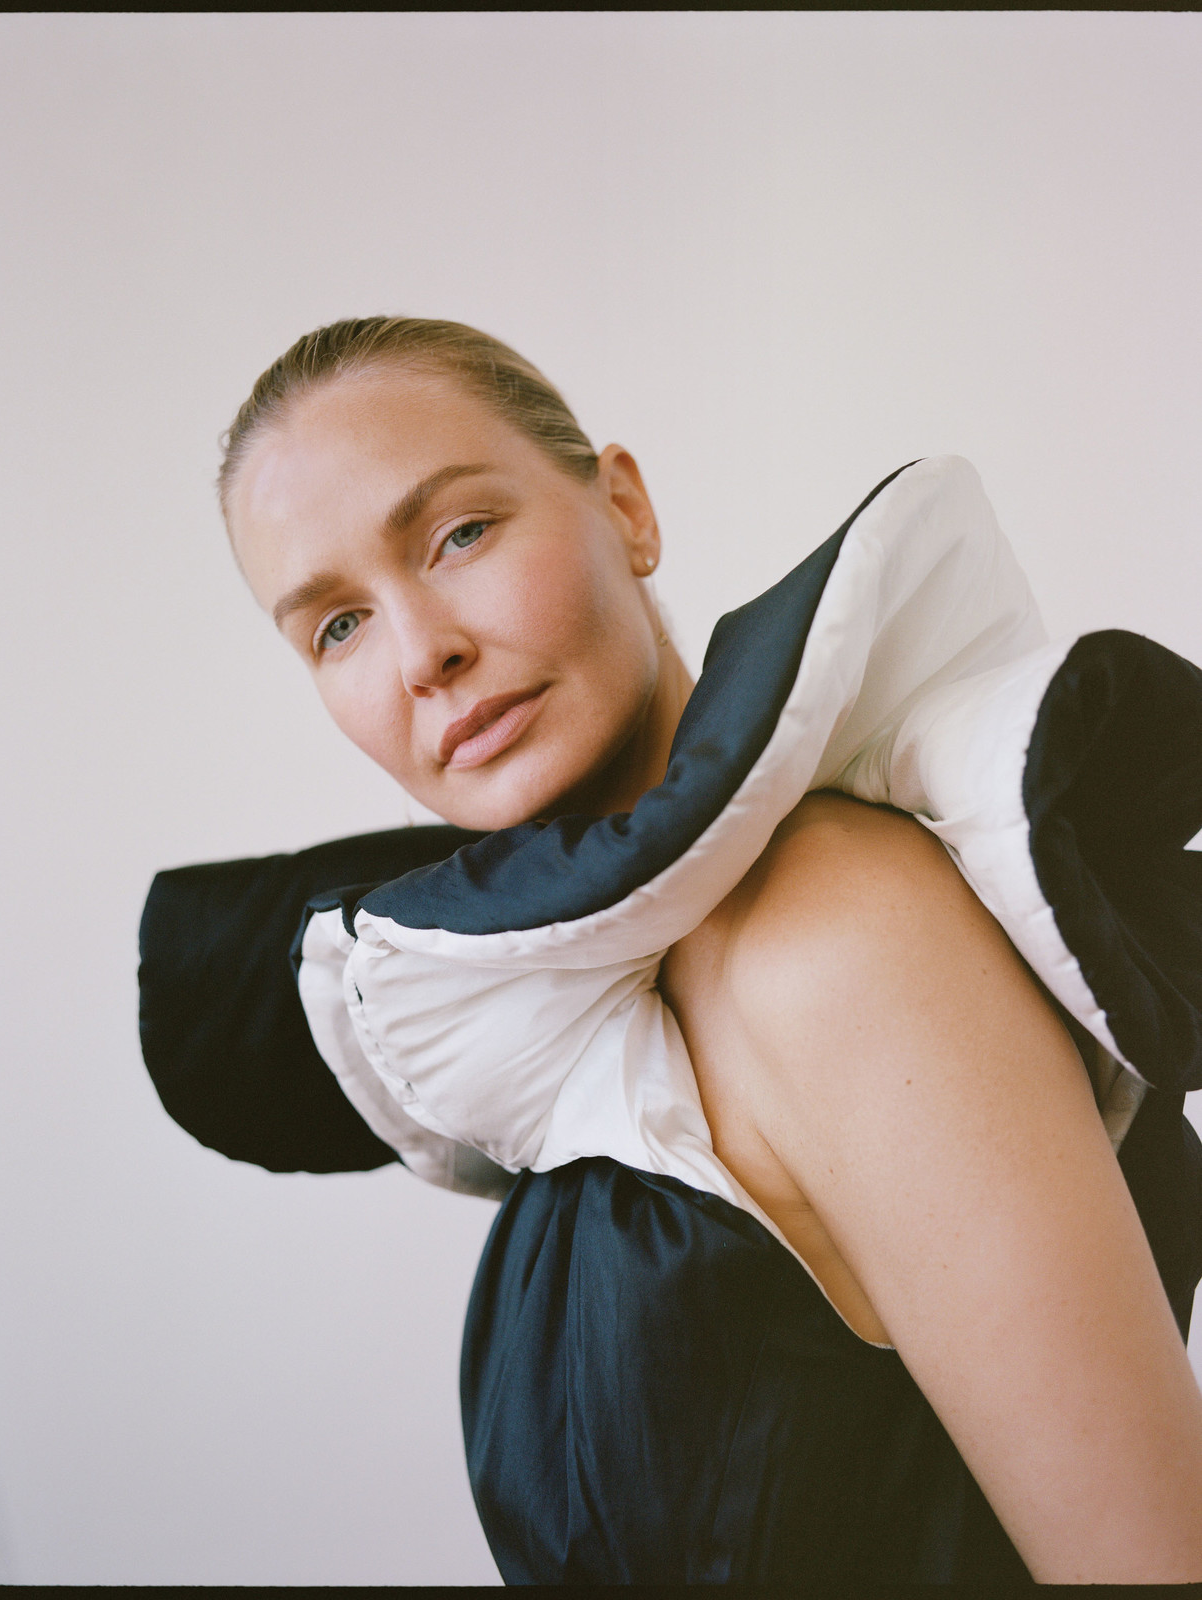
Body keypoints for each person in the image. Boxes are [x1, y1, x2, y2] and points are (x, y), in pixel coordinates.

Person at [139, 317, 1202, 1584]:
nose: (423, 653)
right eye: (336, 626)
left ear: (626, 511)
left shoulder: (830, 925)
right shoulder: (586, 1018)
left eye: (459, 534)